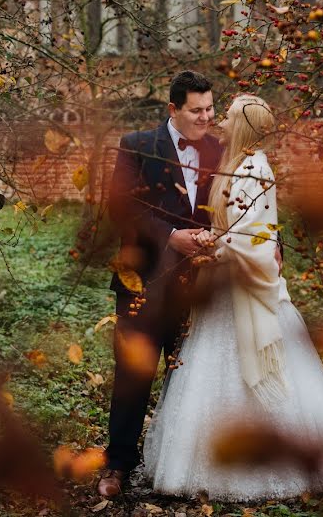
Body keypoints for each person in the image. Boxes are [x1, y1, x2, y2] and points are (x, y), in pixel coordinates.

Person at [141, 94, 323, 501]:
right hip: (227, 289)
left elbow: (251, 239)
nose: (219, 119)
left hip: (242, 286)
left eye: (227, 115)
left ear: (242, 124)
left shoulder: (253, 169)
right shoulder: (237, 163)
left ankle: (263, 464)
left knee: (256, 369)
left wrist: (213, 250)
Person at [98, 70, 222, 497]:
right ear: (173, 109)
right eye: (196, 110)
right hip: (143, 281)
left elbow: (249, 202)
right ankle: (117, 464)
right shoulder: (137, 145)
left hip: (200, 285)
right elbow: (121, 208)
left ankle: (182, 465)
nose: (206, 118)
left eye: (210, 108)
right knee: (134, 374)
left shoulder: (221, 150)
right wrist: (172, 237)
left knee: (190, 377)